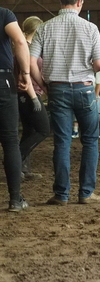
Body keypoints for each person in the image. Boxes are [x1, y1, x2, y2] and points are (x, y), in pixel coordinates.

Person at [30, 0, 100, 206]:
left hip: (58, 89)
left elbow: (32, 61)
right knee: (90, 140)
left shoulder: (45, 28)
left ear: (60, 1)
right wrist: (86, 69)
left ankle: (61, 194)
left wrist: (43, 82)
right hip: (84, 88)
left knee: (62, 142)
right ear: (80, 2)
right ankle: (86, 192)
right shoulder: (90, 28)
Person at [1, 7, 32, 212]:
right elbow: (20, 41)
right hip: (2, 80)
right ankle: (15, 199)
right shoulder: (4, 14)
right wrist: (26, 73)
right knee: (10, 140)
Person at [16, 16, 49, 181]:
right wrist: (34, 97)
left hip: (28, 93)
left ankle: (23, 168)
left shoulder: (26, 46)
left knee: (29, 131)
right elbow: (26, 74)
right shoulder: (26, 49)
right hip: (29, 93)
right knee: (44, 129)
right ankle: (16, 159)